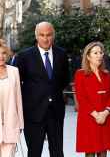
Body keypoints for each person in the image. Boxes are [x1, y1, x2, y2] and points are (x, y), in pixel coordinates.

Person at [16, 22, 70, 157]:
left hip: (56, 113)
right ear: (36, 36)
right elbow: (16, 84)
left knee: (57, 152)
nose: (46, 39)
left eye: (49, 35)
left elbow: (64, 79)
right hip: (33, 114)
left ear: (54, 35)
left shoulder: (61, 54)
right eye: (42, 35)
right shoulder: (24, 57)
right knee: (34, 152)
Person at [74, 41, 110, 157]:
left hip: (105, 118)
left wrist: (105, 113)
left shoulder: (107, 74)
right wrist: (96, 115)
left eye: (101, 52)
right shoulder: (80, 74)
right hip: (89, 119)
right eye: (95, 53)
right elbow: (81, 98)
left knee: (103, 152)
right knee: (90, 152)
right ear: (88, 56)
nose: (99, 55)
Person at [0, 39, 24, 157]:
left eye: (4, 53)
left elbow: (18, 99)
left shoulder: (14, 71)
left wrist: (20, 124)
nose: (1, 56)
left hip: (11, 124)